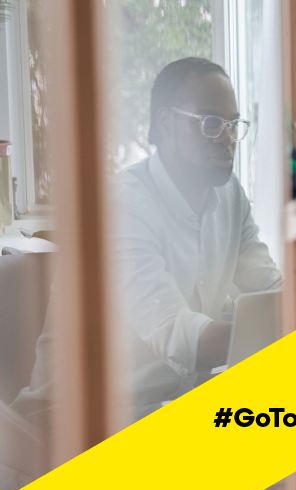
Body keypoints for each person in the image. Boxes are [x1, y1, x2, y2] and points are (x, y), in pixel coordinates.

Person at [11, 57, 281, 426]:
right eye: (211, 123)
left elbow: (270, 288)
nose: (227, 138)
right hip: (72, 427)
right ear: (166, 123)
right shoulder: (120, 206)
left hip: (164, 407)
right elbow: (178, 337)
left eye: (233, 124)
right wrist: (288, 325)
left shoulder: (230, 196)